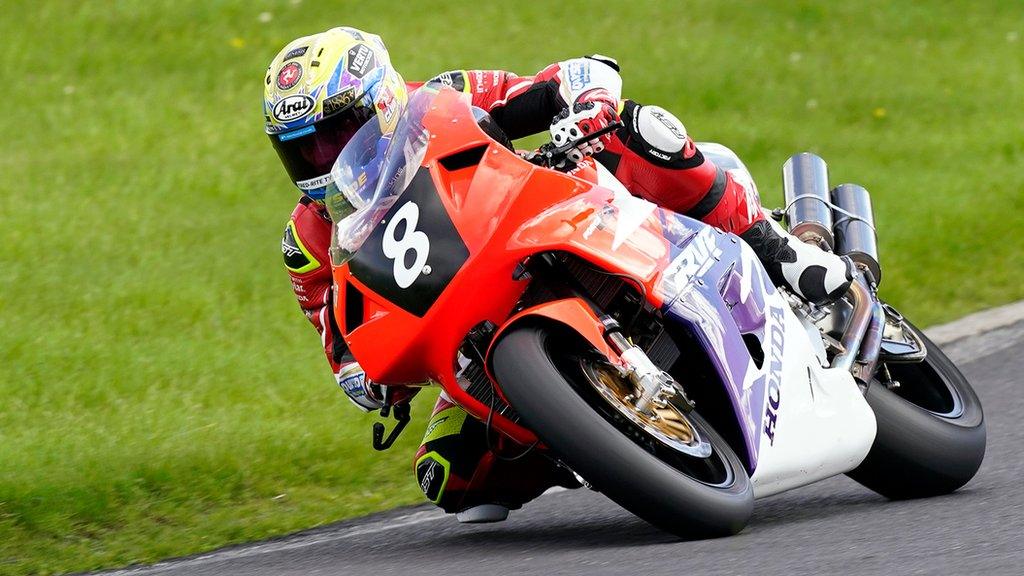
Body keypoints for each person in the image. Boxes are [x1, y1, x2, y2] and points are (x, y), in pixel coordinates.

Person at [266, 27, 853, 523]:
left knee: (636, 130)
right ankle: (593, 437)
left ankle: (776, 248)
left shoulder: (442, 100)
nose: (326, 159)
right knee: (449, 478)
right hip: (465, 326)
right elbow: (337, 331)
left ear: (384, 100)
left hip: (554, 216)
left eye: (338, 134)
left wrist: (585, 103)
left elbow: (561, 79)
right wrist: (360, 376)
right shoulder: (309, 238)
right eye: (304, 151)